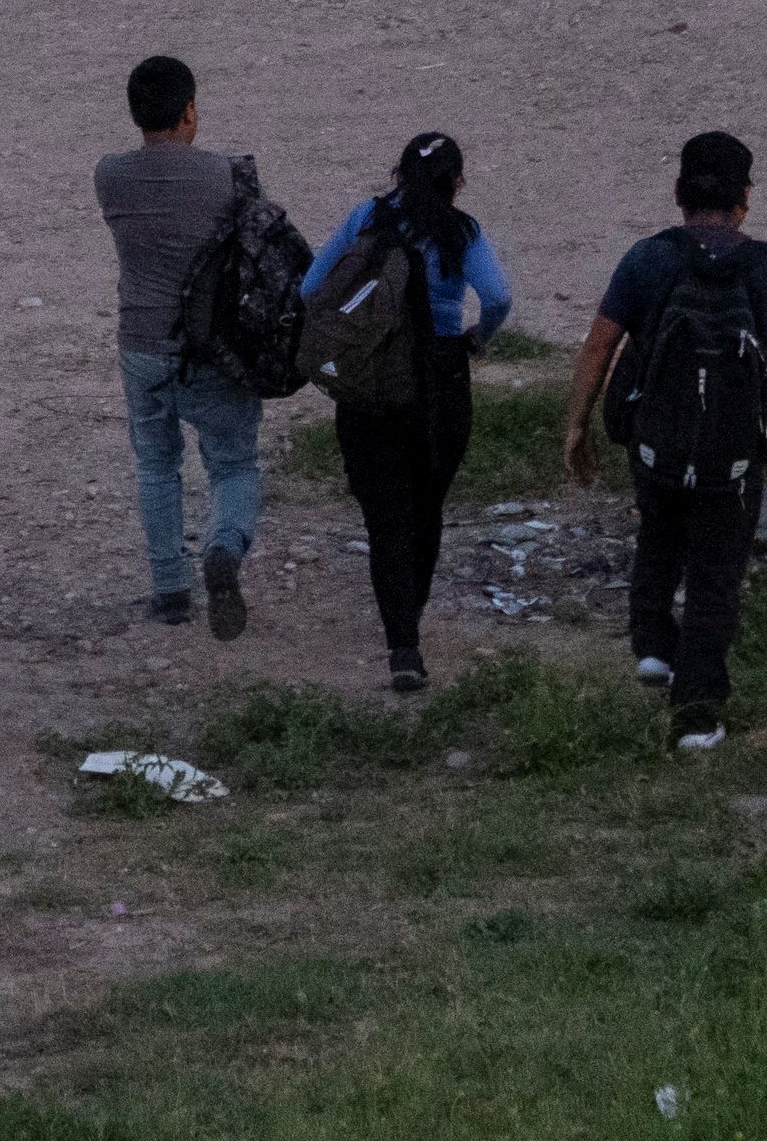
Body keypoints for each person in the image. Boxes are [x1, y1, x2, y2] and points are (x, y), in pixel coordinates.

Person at [559, 131, 767, 753]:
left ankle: (653, 646)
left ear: (678, 193)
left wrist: (577, 423)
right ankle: (698, 716)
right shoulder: (765, 265)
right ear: (745, 200)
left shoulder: (649, 258)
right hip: (732, 452)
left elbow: (600, 346)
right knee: (715, 575)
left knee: (658, 532)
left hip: (658, 437)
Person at [299, 132, 517, 696]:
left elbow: (309, 287)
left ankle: (402, 643)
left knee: (384, 517)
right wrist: (476, 339)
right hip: (440, 377)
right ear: (457, 181)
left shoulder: (365, 218)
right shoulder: (461, 231)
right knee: (426, 505)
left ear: (397, 173)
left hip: (371, 379)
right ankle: (410, 615)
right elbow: (497, 297)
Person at [95, 52, 267, 635]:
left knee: (155, 465)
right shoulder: (227, 177)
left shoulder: (109, 176)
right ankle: (224, 547)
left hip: (140, 342)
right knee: (233, 464)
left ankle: (170, 590)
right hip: (211, 348)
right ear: (190, 111)